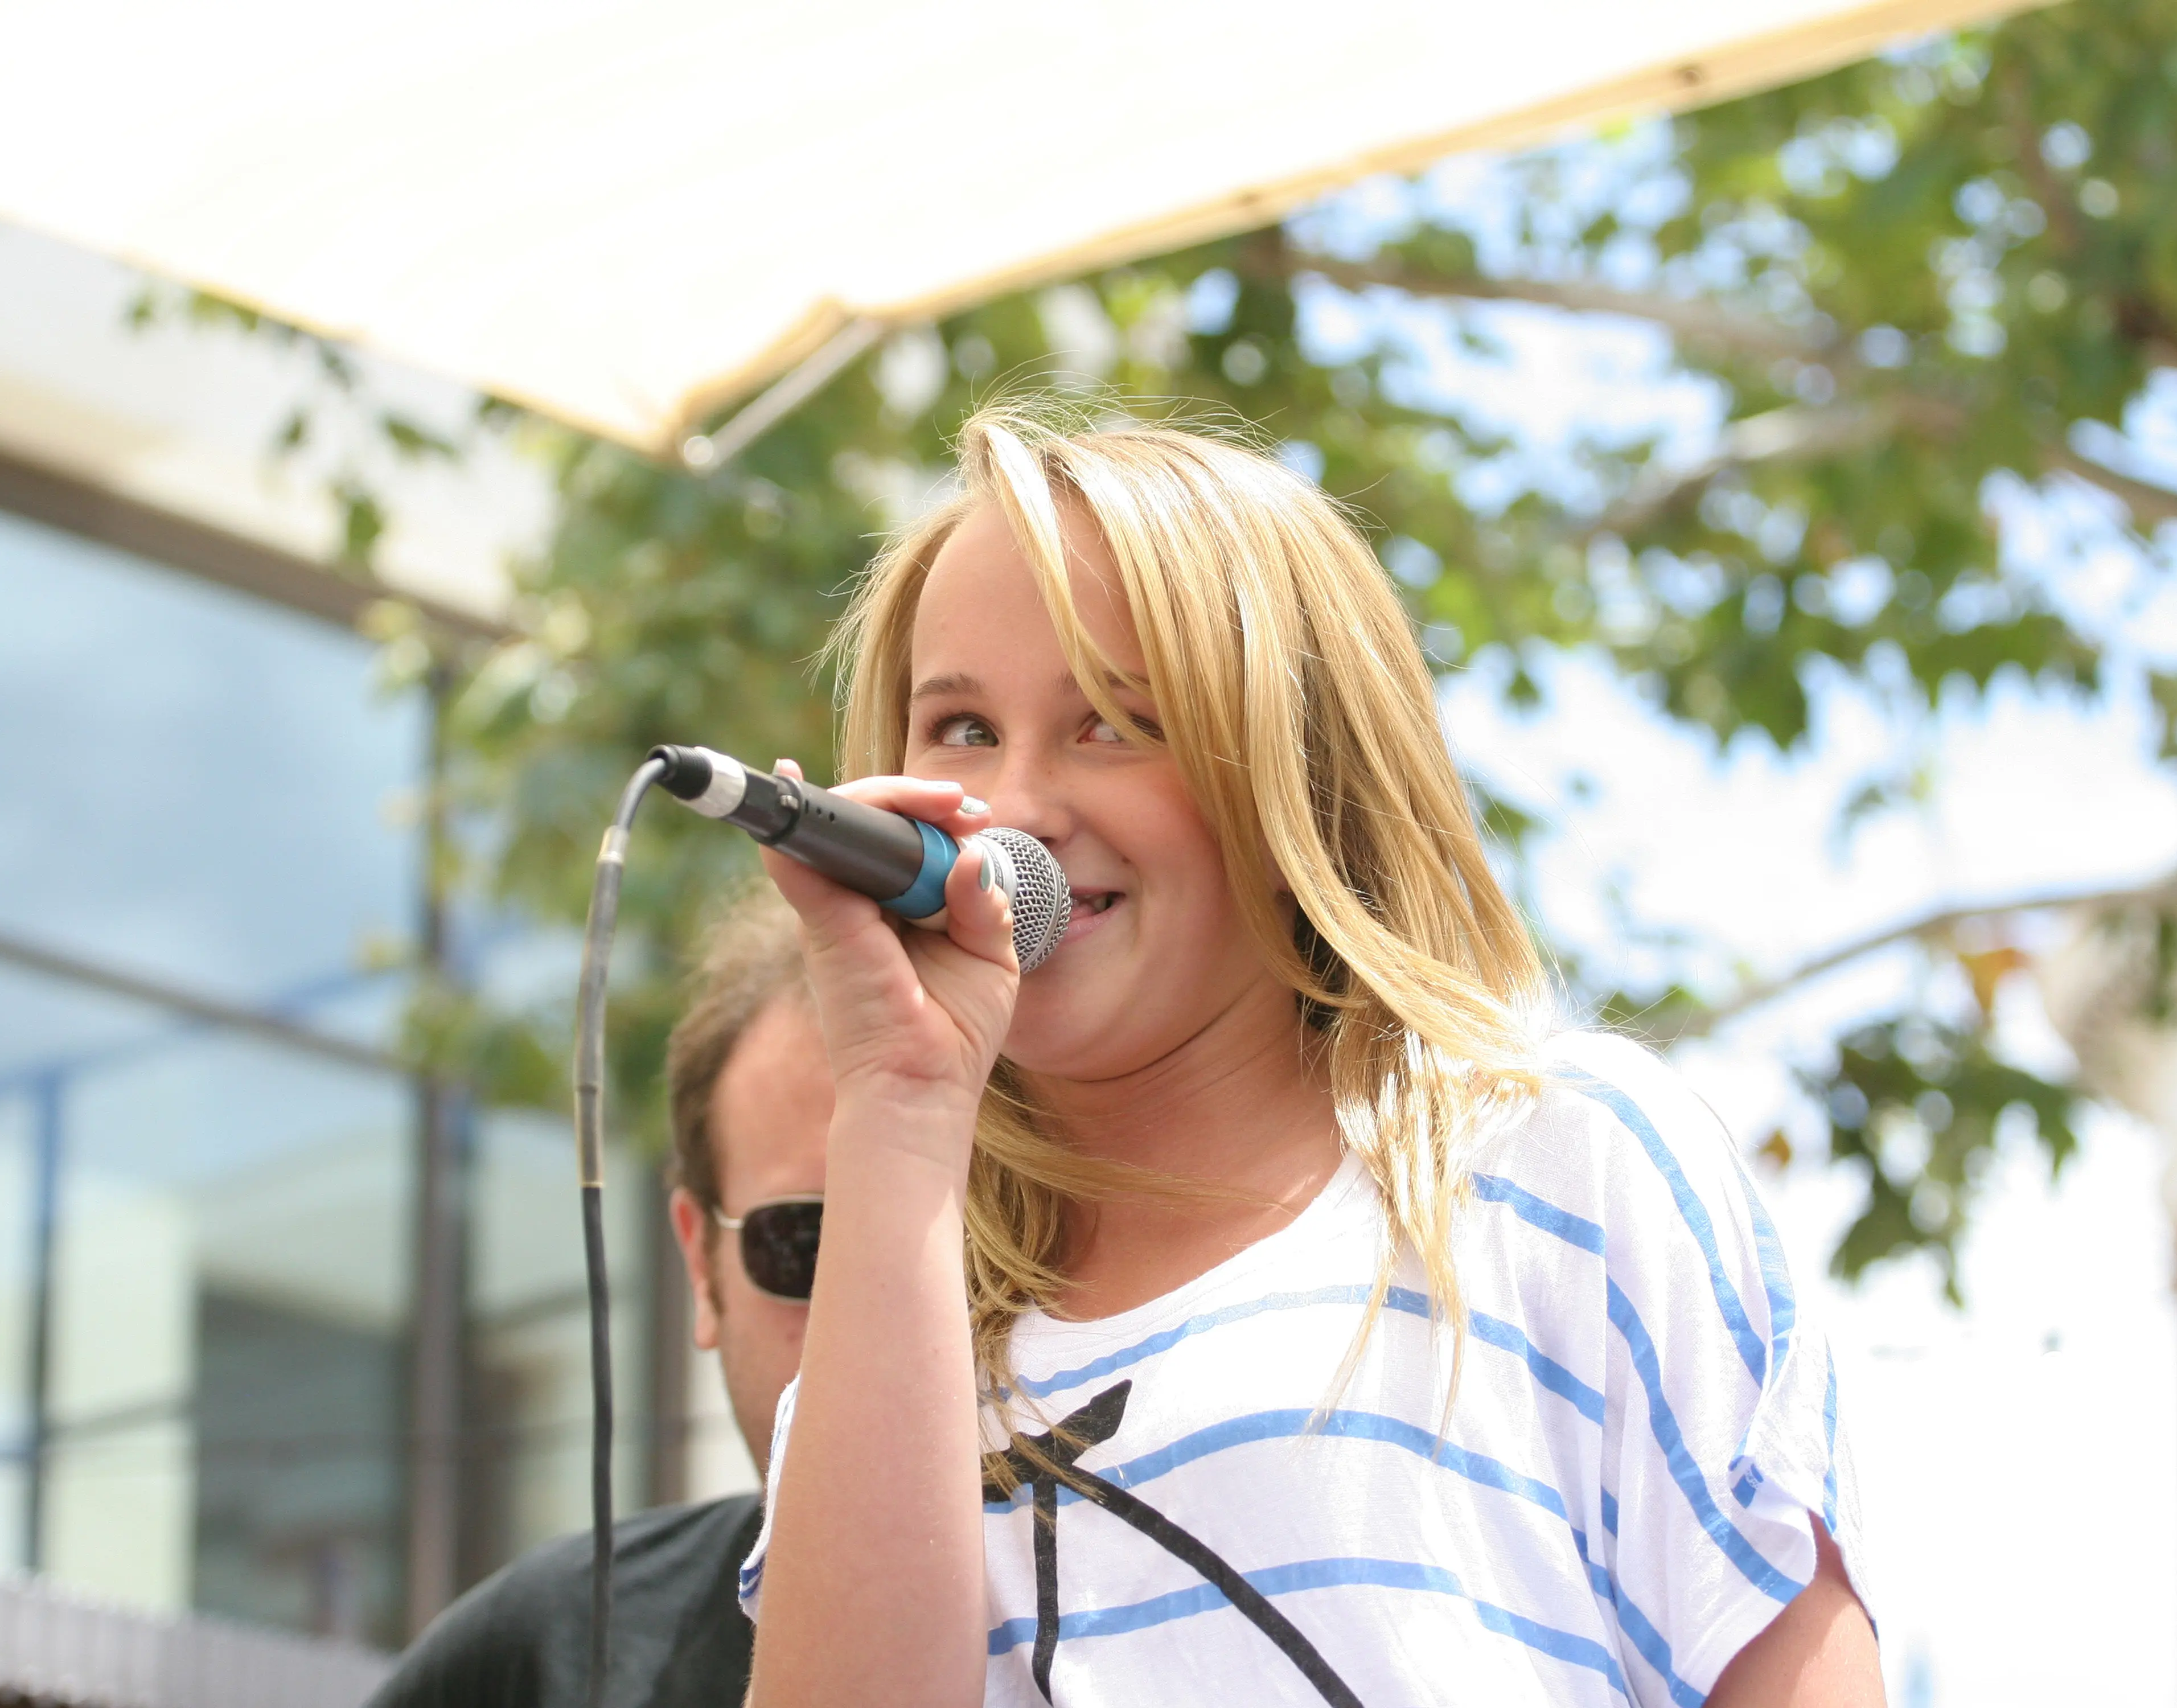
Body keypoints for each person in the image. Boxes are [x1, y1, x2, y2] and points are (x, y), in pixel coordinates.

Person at [742, 404, 1882, 1708]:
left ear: (1298, 773)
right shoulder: (896, 1333)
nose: (1013, 810)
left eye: (1114, 721)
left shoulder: (1558, 1168)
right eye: (959, 729)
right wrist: (897, 1104)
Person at [368, 893, 820, 1708]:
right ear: (698, 1259)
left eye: (984, 1243)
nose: (886, 1314)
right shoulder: (545, 1656)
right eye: (808, 1242)